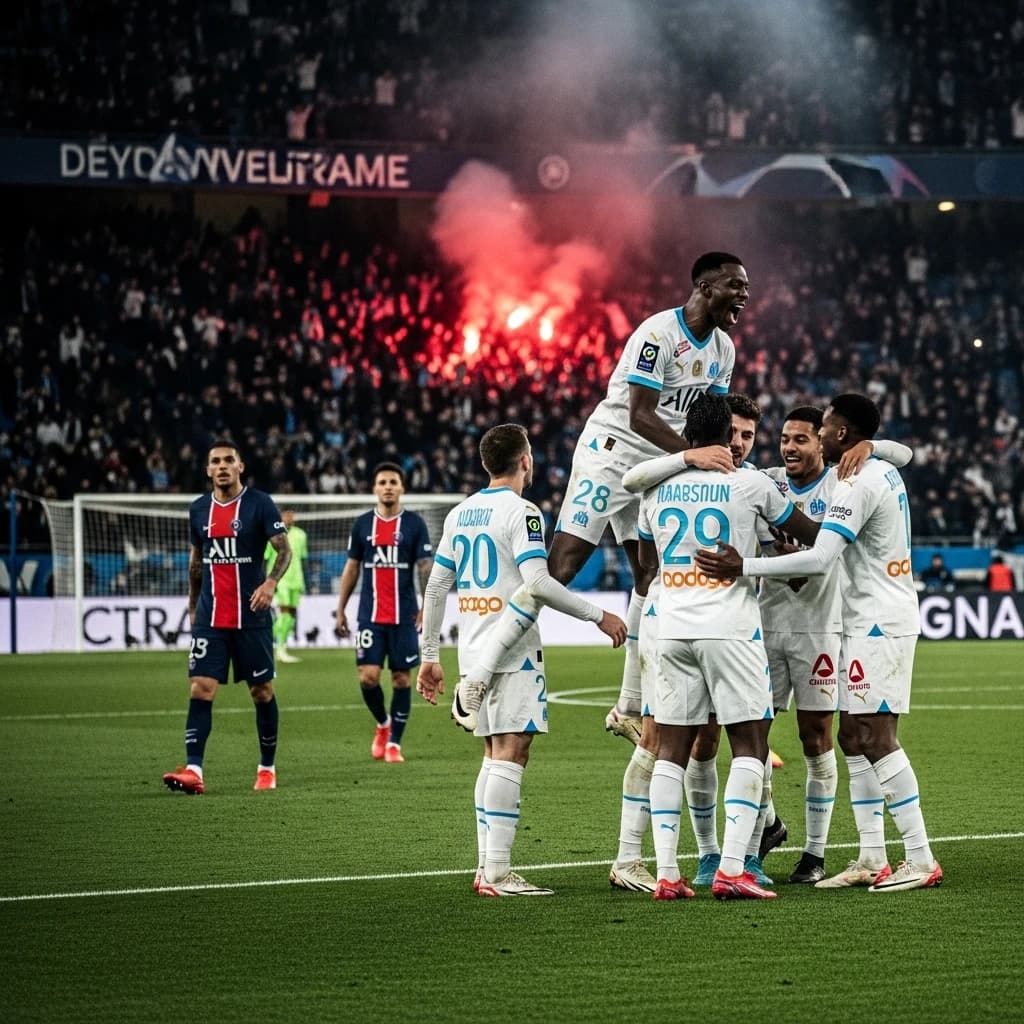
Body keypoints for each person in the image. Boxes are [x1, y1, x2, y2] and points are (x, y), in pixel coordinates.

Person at [696, 393, 943, 893]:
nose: (820, 433)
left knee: (875, 736)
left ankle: (920, 856)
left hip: (876, 622)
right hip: (864, 620)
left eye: (825, 428)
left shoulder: (853, 485)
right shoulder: (880, 469)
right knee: (853, 736)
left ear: (841, 435)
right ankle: (873, 857)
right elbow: (902, 454)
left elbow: (820, 558)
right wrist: (875, 445)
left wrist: (743, 565)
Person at [416, 423, 627, 897]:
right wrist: (598, 614)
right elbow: (538, 582)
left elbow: (435, 587)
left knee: (494, 754)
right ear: (526, 461)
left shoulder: (460, 513)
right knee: (513, 752)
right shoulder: (524, 512)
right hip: (511, 652)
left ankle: (485, 868)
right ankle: (497, 872)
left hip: (473, 646)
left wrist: (430, 655)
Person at [551, 252, 742, 744]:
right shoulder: (658, 335)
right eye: (734, 285)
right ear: (703, 286)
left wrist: (727, 448)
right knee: (562, 569)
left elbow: (709, 416)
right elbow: (640, 415)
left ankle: (628, 706)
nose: (743, 294)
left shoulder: (723, 349)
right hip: (612, 453)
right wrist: (692, 456)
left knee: (650, 574)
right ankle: (481, 677)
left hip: (662, 463)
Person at [637, 393, 819, 900]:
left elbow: (647, 565)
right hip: (730, 629)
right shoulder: (750, 483)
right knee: (750, 744)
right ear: (725, 436)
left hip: (672, 627)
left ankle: (669, 873)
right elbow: (809, 534)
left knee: (671, 751)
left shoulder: (657, 488)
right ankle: (733, 867)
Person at [163, 439, 292, 795]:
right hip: (211, 617)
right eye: (215, 461)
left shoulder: (260, 504)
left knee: (261, 691)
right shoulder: (198, 510)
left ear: (240, 466)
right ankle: (193, 769)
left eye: (228, 460)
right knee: (200, 687)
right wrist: (192, 607)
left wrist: (270, 583)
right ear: (207, 470)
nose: (222, 466)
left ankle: (267, 767)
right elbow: (196, 562)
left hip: (251, 616)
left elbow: (284, 551)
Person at [336, 463, 434, 764]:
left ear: (402, 488)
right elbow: (352, 568)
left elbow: (425, 567)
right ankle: (383, 723)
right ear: (374, 488)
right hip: (370, 616)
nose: (388, 486)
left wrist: (427, 607)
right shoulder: (363, 524)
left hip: (404, 616)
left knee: (402, 679)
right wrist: (340, 608)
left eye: (393, 481)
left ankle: (394, 744)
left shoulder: (415, 524)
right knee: (368, 677)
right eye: (383, 482)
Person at [265, 508, 308, 663]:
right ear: (280, 517)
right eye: (286, 515)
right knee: (283, 614)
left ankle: (280, 645)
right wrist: (268, 581)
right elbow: (266, 558)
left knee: (291, 616)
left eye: (291, 514)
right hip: (280, 579)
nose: (289, 517)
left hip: (296, 580)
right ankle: (279, 648)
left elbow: (303, 559)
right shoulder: (273, 535)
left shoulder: (301, 535)